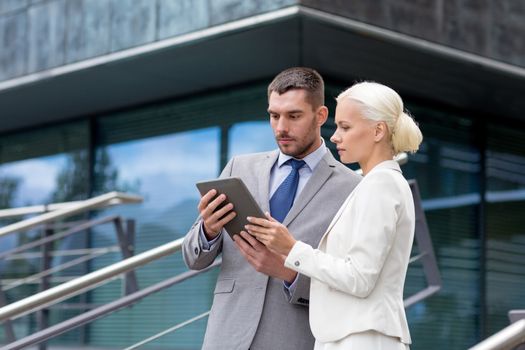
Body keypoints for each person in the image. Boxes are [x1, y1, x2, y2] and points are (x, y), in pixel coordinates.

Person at [182, 67, 361, 350]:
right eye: (274, 116)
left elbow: (352, 284)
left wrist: (290, 272)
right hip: (226, 336)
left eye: (293, 116)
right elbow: (194, 259)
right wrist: (208, 229)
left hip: (294, 338)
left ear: (321, 116)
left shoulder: (352, 189)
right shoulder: (239, 169)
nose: (281, 128)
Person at [246, 81, 423, 349]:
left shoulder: (381, 184)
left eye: (345, 127)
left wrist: (291, 248)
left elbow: (359, 278)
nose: (334, 136)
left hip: (361, 338)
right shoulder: (374, 183)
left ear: (378, 130)